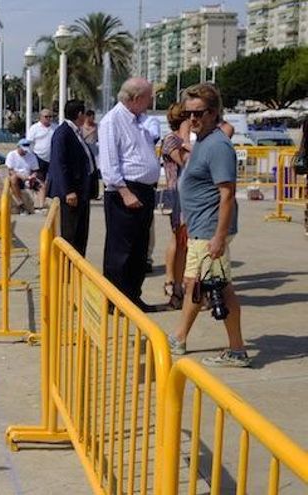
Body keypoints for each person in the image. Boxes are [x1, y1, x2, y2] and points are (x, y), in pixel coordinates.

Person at [168, 83, 250, 368]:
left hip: (211, 228)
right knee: (197, 284)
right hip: (200, 226)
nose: (191, 119)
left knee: (218, 286)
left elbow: (227, 195)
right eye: (187, 114)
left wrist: (218, 236)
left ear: (213, 113)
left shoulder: (217, 145)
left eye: (198, 113)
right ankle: (180, 337)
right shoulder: (202, 140)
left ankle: (237, 349)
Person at [98, 78, 159, 311]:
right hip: (125, 191)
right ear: (135, 98)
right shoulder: (112, 121)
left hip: (143, 189)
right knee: (120, 249)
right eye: (148, 96)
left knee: (139, 249)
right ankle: (115, 301)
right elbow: (109, 164)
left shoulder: (139, 120)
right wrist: (124, 192)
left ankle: (133, 296)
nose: (151, 100)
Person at [47, 99, 96, 256]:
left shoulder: (76, 132)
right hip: (72, 192)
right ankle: (68, 268)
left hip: (83, 190)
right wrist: (68, 190)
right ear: (80, 114)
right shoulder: (63, 133)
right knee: (71, 233)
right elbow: (60, 164)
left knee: (81, 232)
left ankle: (78, 265)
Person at [161, 103, 190, 309]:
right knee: (179, 240)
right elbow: (184, 162)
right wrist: (187, 138)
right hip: (177, 194)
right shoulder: (172, 140)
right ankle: (172, 282)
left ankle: (176, 282)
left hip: (186, 195)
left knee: (181, 240)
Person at [26, 108, 56, 208]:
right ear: (41, 117)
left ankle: (45, 199)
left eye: (50, 117)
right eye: (46, 117)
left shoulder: (55, 128)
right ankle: (40, 203)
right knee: (40, 180)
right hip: (38, 157)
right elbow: (29, 143)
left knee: (49, 180)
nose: (48, 119)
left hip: (51, 158)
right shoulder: (34, 128)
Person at [5, 138, 40, 214]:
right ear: (18, 147)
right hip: (18, 177)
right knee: (13, 178)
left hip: (28, 176)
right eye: (23, 149)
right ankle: (20, 204)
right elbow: (10, 170)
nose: (25, 151)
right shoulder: (12, 155)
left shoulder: (31, 156)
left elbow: (35, 170)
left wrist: (33, 176)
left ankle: (40, 206)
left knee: (42, 185)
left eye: (26, 150)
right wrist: (22, 177)